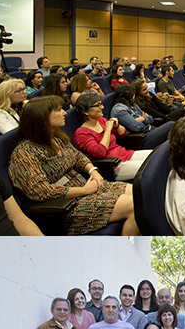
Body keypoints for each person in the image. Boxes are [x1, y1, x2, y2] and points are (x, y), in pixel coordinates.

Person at [9, 95, 138, 235]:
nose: (65, 112)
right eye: (59, 110)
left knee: (140, 192)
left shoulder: (57, 138)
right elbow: (41, 191)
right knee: (134, 205)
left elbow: (77, 156)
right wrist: (84, 191)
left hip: (87, 187)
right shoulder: (24, 152)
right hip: (69, 206)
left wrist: (93, 171)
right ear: (42, 117)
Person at [73, 91, 153, 180]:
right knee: (152, 167)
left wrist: (117, 126)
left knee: (157, 156)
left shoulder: (101, 120)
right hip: (114, 166)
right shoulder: (81, 133)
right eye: (98, 105)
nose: (102, 107)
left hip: (126, 154)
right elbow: (99, 152)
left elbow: (123, 134)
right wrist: (107, 130)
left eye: (101, 104)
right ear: (85, 111)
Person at [109, 85, 174, 148]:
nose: (134, 96)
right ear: (129, 96)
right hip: (141, 139)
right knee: (171, 124)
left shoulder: (133, 105)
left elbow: (150, 118)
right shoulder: (119, 110)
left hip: (149, 130)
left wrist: (142, 119)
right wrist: (144, 120)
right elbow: (136, 127)